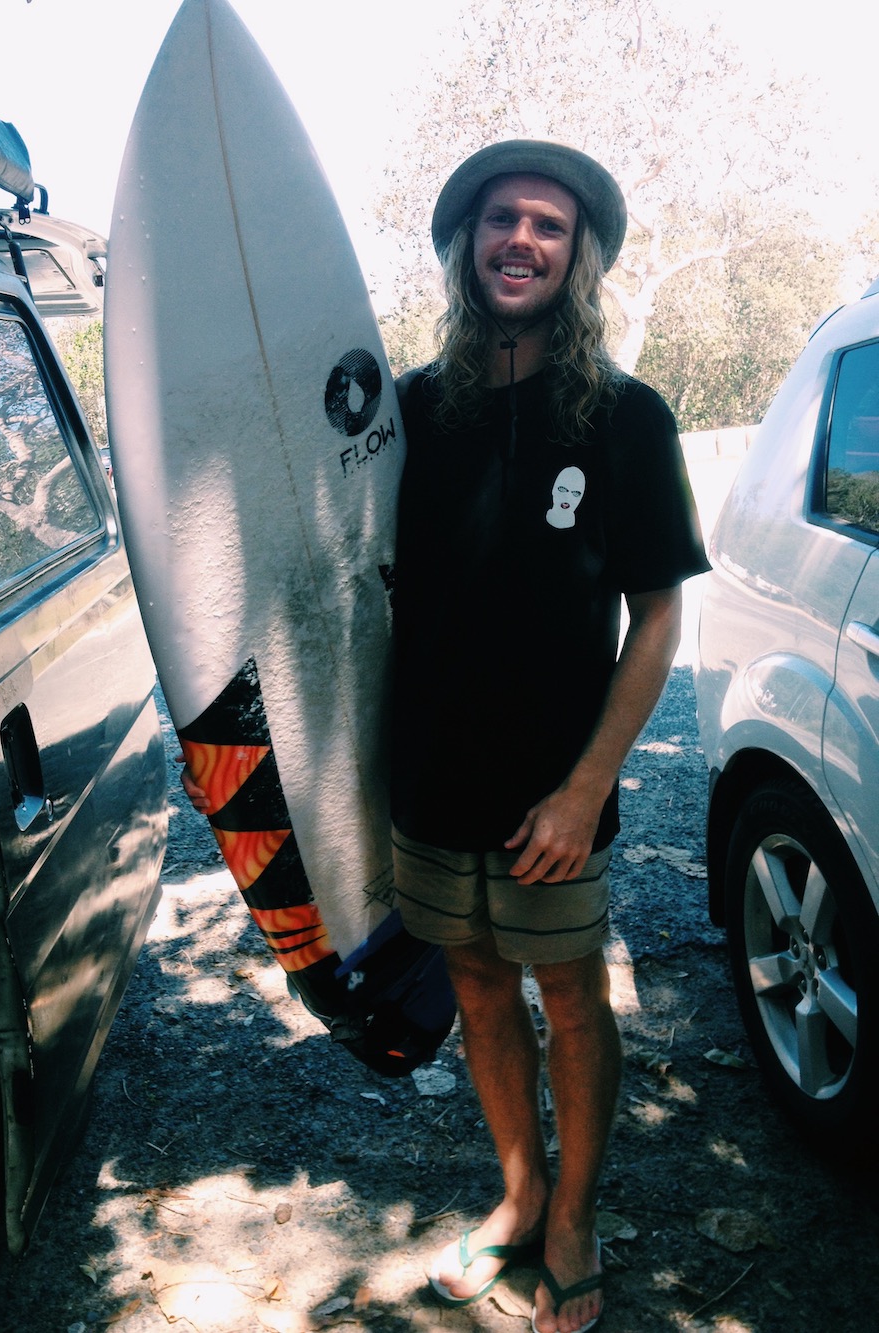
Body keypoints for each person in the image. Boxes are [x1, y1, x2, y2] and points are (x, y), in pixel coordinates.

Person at [390, 141, 710, 1333]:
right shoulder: (412, 408)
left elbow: (660, 610)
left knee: (570, 997)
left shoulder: (624, 415)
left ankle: (573, 1213)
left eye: (548, 226)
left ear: (579, 258)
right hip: (428, 774)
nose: (518, 240)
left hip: (553, 789)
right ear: (465, 243)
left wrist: (585, 789)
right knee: (476, 987)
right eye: (498, 220)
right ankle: (518, 1195)